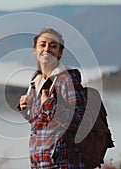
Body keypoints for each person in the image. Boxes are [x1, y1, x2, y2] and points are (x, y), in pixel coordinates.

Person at [18, 28, 87, 169]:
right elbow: (39, 122)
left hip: (63, 163)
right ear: (35, 49)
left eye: (53, 46)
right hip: (40, 161)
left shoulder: (67, 80)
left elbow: (81, 122)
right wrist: (26, 109)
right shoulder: (35, 80)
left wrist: (50, 104)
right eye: (43, 44)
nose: (47, 49)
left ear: (60, 52)